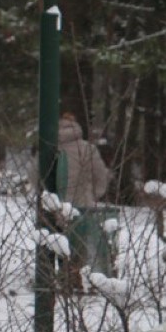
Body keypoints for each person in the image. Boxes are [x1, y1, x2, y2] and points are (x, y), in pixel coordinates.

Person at [58, 113, 112, 275]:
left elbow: (34, 174)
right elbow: (101, 176)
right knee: (79, 244)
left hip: (55, 205)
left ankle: (56, 277)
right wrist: (93, 195)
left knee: (55, 243)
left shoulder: (50, 146)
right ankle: (76, 278)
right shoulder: (88, 149)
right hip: (82, 204)